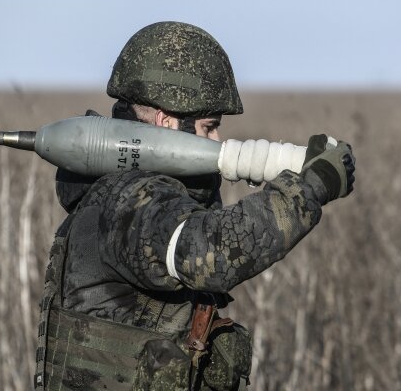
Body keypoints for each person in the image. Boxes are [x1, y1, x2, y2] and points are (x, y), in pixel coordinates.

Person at [34, 21, 355, 391]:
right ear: (166, 122)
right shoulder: (127, 202)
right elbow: (208, 253)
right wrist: (310, 187)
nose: (218, 140)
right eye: (208, 127)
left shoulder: (133, 196)